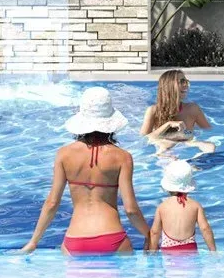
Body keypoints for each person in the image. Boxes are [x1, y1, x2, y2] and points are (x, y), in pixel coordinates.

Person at [21, 87, 150, 255]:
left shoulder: (63, 154)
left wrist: (33, 241)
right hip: (112, 237)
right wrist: (149, 234)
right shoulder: (123, 157)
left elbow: (52, 203)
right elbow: (131, 209)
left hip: (75, 240)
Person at [141, 70, 216, 156]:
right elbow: (144, 139)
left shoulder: (192, 109)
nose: (186, 85)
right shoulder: (153, 110)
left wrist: (189, 136)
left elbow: (208, 130)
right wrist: (167, 125)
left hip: (187, 142)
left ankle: (198, 165)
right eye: (182, 82)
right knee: (165, 146)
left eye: (186, 82)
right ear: (168, 86)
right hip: (163, 144)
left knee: (210, 146)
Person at [148, 160, 217, 253]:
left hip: (169, 252)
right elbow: (205, 229)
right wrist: (213, 252)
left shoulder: (162, 207)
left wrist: (152, 253)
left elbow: (154, 232)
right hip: (190, 249)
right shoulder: (196, 206)